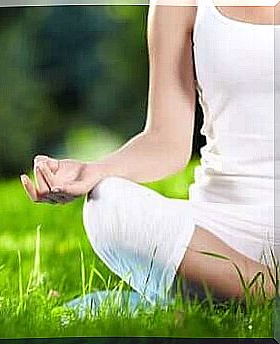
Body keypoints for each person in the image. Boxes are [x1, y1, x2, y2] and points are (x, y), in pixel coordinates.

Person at [20, 0, 279, 312]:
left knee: (101, 310)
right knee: (107, 203)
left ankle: (224, 299)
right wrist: (93, 171)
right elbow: (165, 140)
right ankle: (264, 291)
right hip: (214, 237)